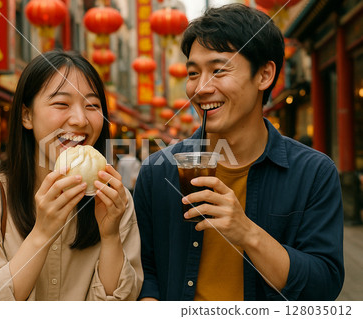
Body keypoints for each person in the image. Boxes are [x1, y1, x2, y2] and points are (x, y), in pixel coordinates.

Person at [134, 4, 344, 301]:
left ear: (264, 75)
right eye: (193, 73)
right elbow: (145, 270)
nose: (200, 88)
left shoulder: (313, 173)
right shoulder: (157, 171)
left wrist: (246, 232)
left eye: (219, 70)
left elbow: (323, 286)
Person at [0, 50, 143, 300]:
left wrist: (110, 236)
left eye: (93, 106)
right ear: (26, 115)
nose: (80, 119)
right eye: (61, 103)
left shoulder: (116, 201)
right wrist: (42, 233)